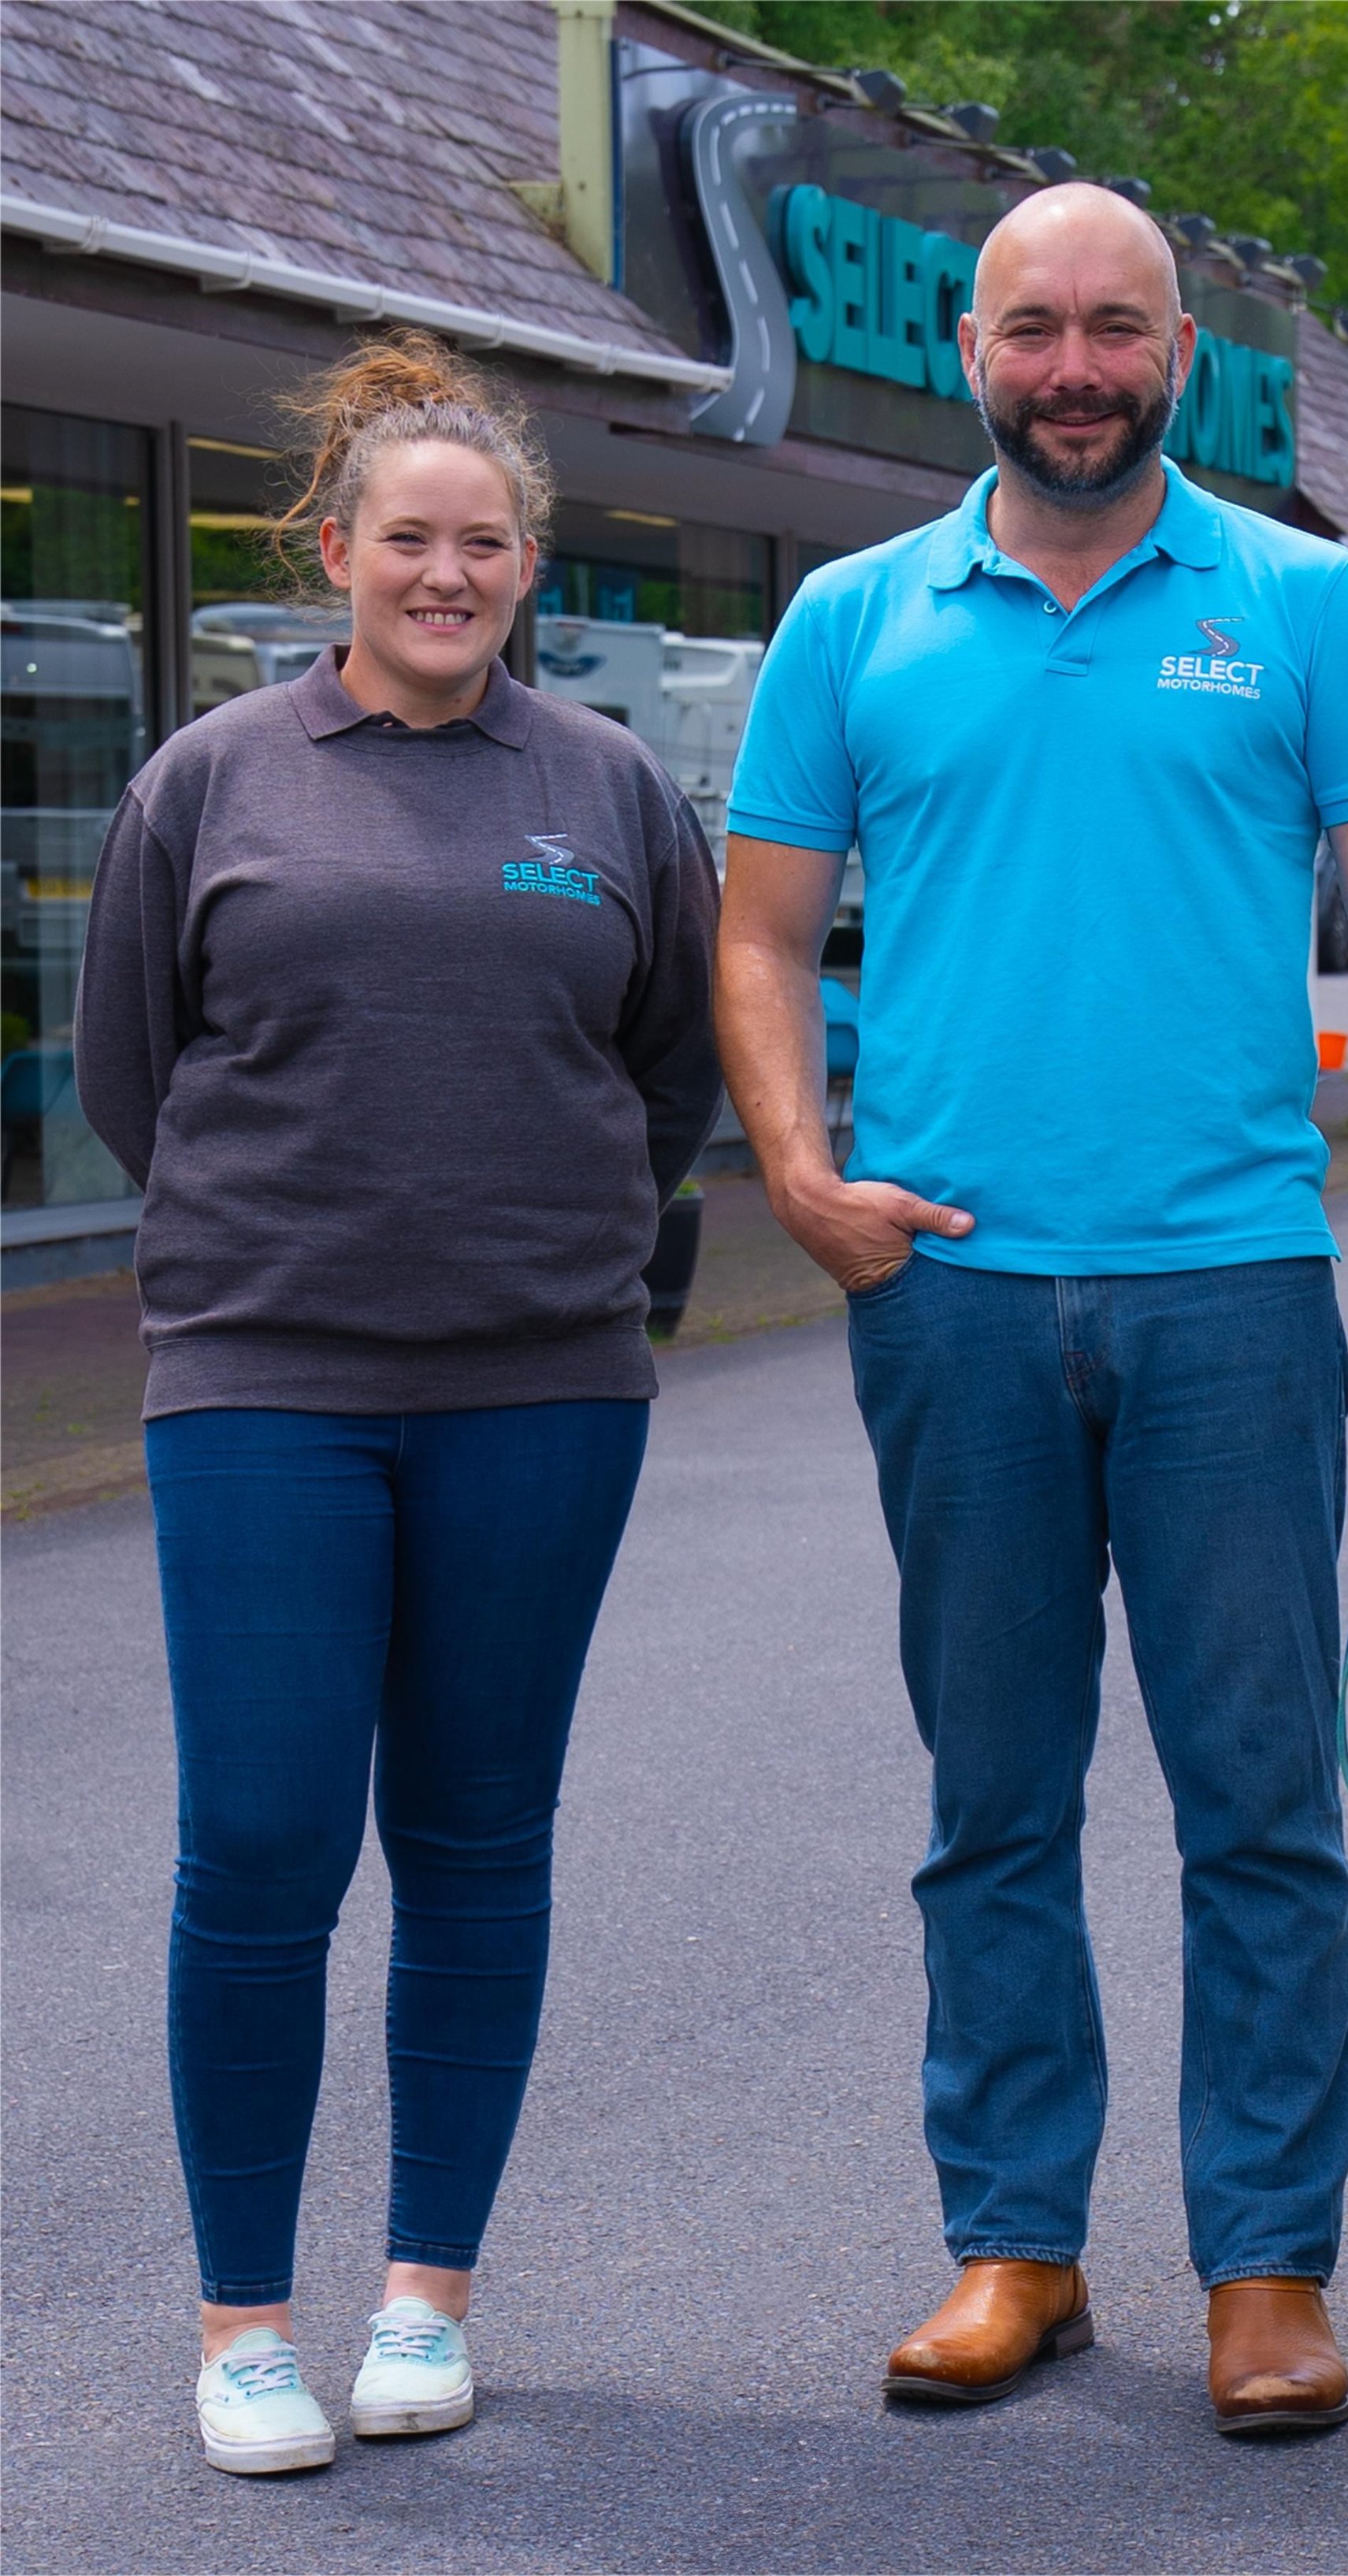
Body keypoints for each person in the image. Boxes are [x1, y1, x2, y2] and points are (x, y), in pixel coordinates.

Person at [715, 184, 1348, 2436]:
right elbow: (759, 932)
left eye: (1118, 330)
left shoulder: (1304, 601)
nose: (1076, 368)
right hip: (951, 1297)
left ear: (1183, 358)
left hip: (1229, 1292)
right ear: (972, 349)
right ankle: (1016, 2247)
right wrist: (799, 1176)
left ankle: (1266, 2269)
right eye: (1036, 327)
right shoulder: (853, 620)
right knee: (994, 1803)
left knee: (1256, 1806)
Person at [74, 333, 721, 2474]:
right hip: (264, 1380)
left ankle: (426, 2295)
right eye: (409, 539)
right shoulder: (211, 781)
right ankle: (245, 2324)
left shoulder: (609, 791)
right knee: (262, 1842)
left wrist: (559, 1243)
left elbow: (667, 1074)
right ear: (336, 550)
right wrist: (293, 1243)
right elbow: (133, 1071)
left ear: (529, 563)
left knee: (473, 1839)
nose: (448, 574)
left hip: (541, 1389)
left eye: (486, 543)